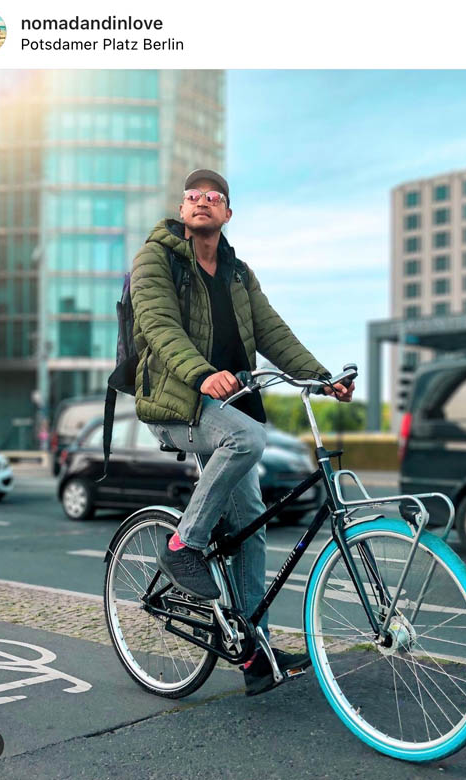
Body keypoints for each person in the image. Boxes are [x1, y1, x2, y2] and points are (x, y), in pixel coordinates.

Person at [130, 169, 355, 695]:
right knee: (247, 440)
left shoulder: (237, 272)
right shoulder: (156, 258)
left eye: (214, 197)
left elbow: (273, 331)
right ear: (184, 210)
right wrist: (201, 373)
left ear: (227, 213)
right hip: (177, 401)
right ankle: (183, 543)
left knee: (252, 520)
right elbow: (159, 326)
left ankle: (253, 651)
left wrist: (322, 378)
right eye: (193, 197)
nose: (201, 202)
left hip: (232, 405)